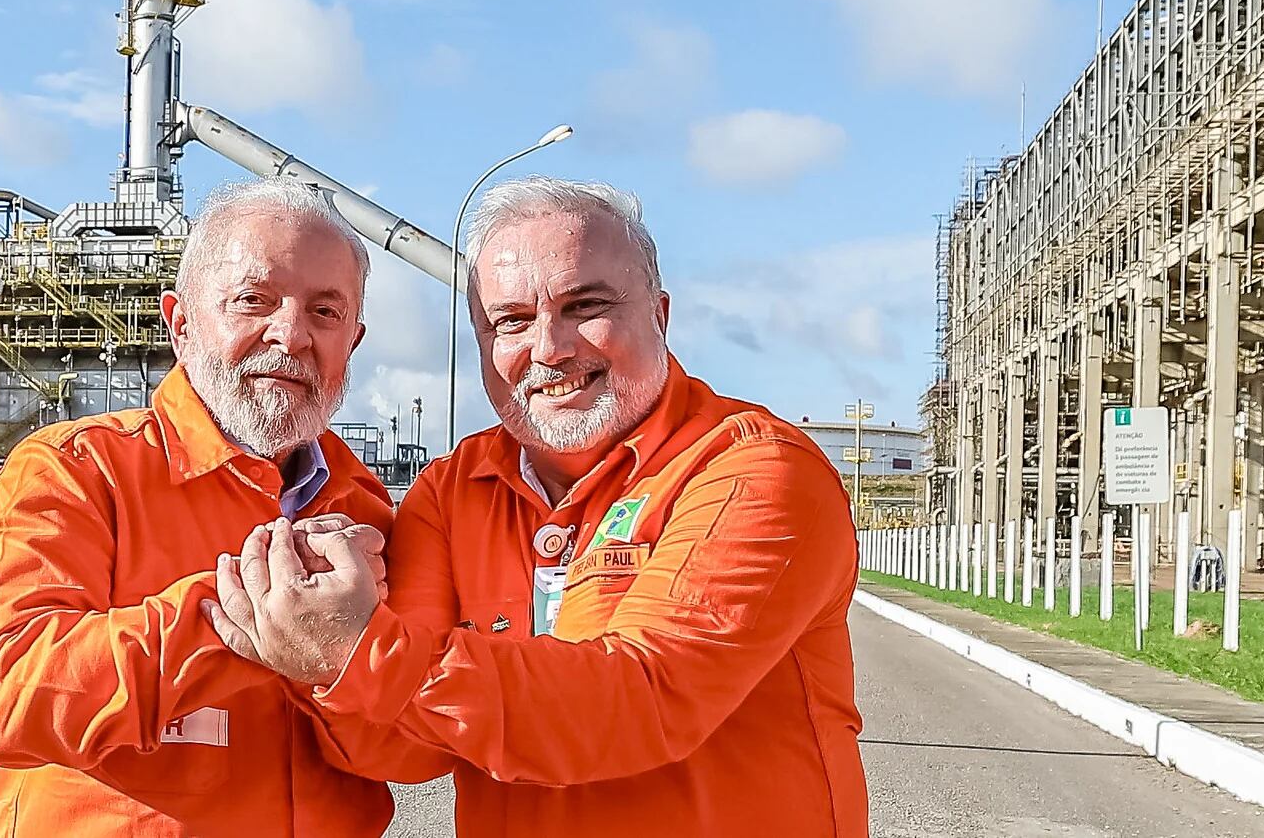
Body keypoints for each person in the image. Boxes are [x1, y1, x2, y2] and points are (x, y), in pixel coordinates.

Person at [209, 177, 869, 836]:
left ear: (660, 314)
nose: (550, 348)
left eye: (585, 305)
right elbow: (403, 748)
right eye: (512, 321)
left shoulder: (755, 471)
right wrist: (302, 623)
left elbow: (648, 699)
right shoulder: (452, 490)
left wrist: (357, 649)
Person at [0, 179, 400, 837]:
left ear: (352, 343)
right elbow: (5, 694)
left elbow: (404, 747)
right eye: (254, 299)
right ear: (181, 323)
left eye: (325, 312)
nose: (292, 333)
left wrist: (345, 661)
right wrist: (249, 613)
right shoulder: (77, 470)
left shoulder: (367, 508)